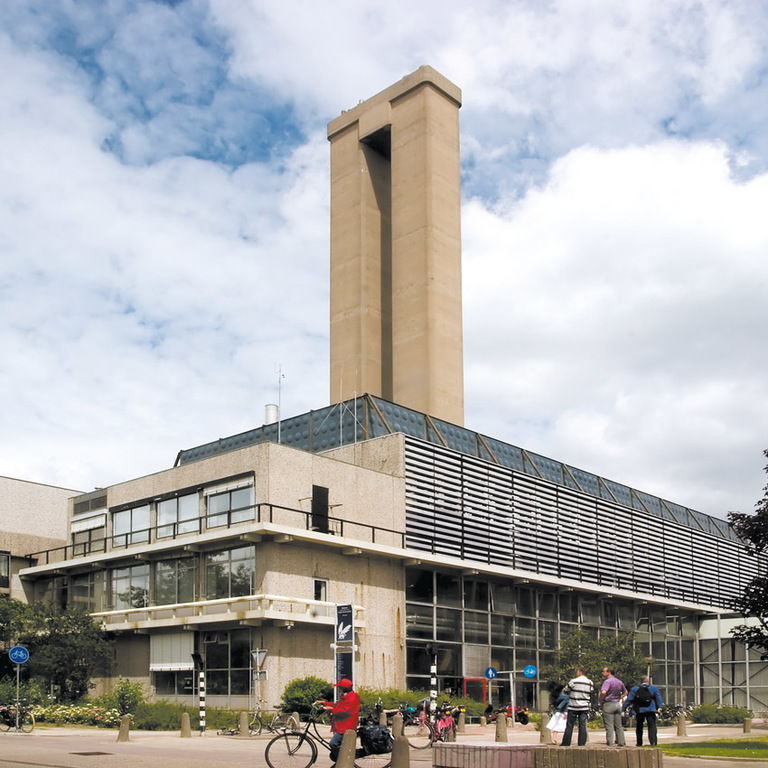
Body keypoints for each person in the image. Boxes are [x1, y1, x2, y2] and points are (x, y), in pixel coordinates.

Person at [315, 678, 360, 764]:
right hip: (343, 725)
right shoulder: (347, 696)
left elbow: (345, 711)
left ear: (344, 688)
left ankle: (345, 759)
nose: (338, 689)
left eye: (339, 687)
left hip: (346, 726)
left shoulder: (352, 698)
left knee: (333, 743)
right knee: (338, 744)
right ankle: (342, 758)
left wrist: (331, 709)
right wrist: (324, 702)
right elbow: (337, 705)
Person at [623, 676, 663, 746]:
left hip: (639, 710)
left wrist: (623, 708)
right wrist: (660, 706)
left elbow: (629, 700)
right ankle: (653, 742)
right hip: (650, 709)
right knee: (652, 726)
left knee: (639, 726)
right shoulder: (653, 688)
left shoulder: (635, 689)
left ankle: (639, 742)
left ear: (639, 681)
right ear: (648, 681)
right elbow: (658, 697)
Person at [560, 667, 594, 746]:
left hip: (573, 705)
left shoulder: (574, 681)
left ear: (580, 672)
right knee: (582, 725)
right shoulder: (590, 682)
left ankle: (566, 742)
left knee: (570, 725)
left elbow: (566, 690)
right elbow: (591, 692)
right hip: (584, 706)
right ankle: (581, 743)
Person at [599, 666, 627, 746]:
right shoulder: (619, 682)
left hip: (608, 703)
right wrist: (619, 697)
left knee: (609, 725)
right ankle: (621, 742)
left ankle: (610, 742)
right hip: (617, 704)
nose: (603, 673)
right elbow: (625, 692)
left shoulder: (607, 682)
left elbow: (603, 692)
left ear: (609, 672)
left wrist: (601, 700)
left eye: (604, 671)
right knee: (618, 725)